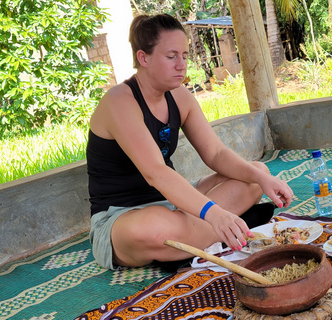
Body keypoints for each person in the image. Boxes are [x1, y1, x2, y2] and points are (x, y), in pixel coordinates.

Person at [87, 13, 294, 270]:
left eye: (184, 56)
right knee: (153, 230)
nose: (181, 65)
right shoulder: (120, 102)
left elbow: (216, 154)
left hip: (174, 204)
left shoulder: (180, 96)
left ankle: (198, 238)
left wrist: (263, 180)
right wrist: (214, 213)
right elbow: (155, 172)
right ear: (143, 58)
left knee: (257, 173)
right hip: (123, 218)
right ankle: (223, 228)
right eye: (171, 56)